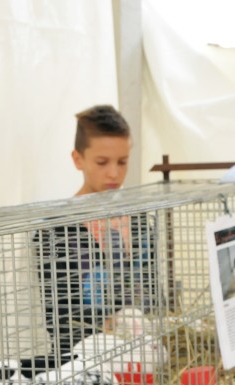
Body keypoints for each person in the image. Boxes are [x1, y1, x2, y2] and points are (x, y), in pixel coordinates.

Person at [35, 104, 159, 360]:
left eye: (122, 162)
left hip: (143, 357)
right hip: (83, 361)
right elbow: (61, 320)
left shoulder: (138, 221)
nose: (114, 173)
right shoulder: (56, 231)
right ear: (78, 159)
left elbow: (151, 295)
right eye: (102, 162)